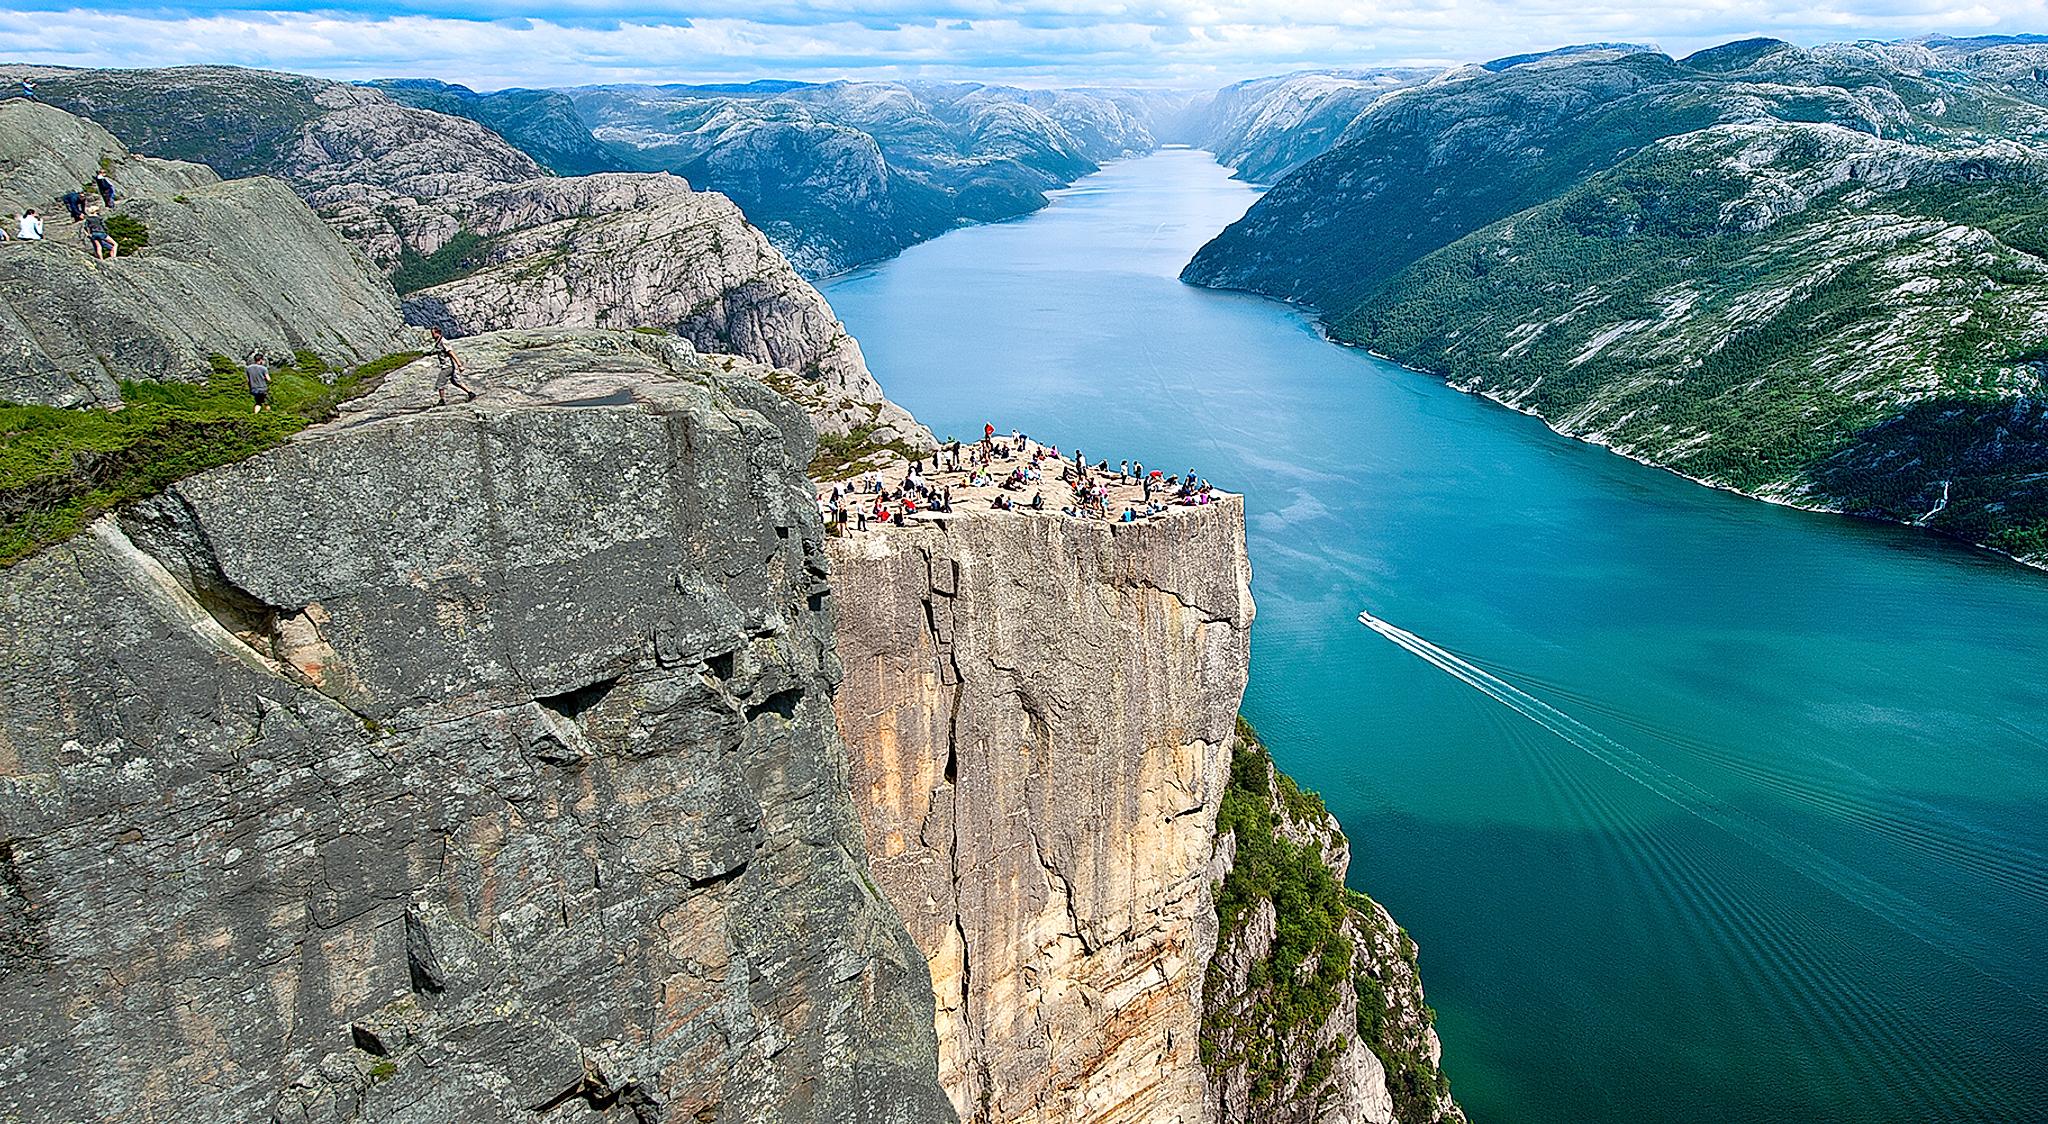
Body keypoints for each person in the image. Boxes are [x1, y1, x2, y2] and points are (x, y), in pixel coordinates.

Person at [430, 326, 474, 403]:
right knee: (455, 382)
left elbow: (451, 353)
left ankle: (442, 400)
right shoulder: (438, 342)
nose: (432, 335)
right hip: (449, 366)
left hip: (447, 366)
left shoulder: (443, 342)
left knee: (440, 383)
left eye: (433, 333)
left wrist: (459, 365)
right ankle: (470, 393)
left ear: (438, 333)